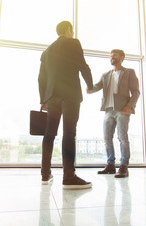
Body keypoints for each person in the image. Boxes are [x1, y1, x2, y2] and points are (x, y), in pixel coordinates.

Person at [38, 21, 93, 189]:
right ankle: (69, 176)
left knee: (49, 134)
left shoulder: (46, 52)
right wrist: (90, 85)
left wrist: (43, 99)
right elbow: (82, 65)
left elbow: (41, 78)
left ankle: (45, 174)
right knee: (69, 133)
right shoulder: (73, 43)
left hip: (52, 97)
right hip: (70, 95)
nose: (73, 32)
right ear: (68, 30)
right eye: (72, 30)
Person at [87, 49, 140, 178]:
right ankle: (110, 165)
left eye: (115, 56)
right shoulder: (106, 75)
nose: (112, 58)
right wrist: (89, 88)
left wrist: (130, 106)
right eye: (111, 57)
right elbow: (96, 86)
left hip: (122, 109)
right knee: (107, 139)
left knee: (122, 138)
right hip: (108, 110)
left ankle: (124, 166)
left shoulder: (129, 72)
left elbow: (136, 92)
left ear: (122, 57)